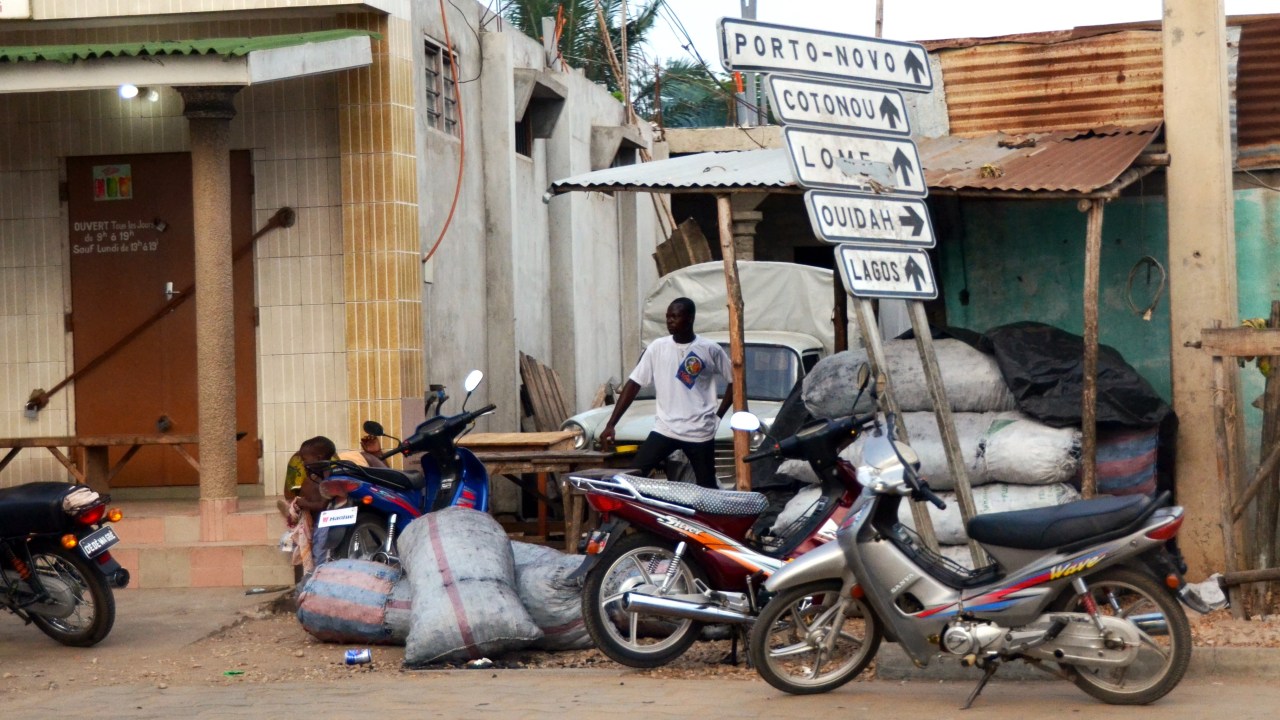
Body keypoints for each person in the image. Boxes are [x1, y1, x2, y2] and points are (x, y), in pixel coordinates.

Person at [600, 298, 733, 489]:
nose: (670, 321)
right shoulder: (657, 347)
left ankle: (708, 517)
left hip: (699, 432)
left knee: (707, 486)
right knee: (633, 476)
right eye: (668, 317)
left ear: (690, 318)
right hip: (665, 429)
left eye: (675, 316)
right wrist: (611, 423)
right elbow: (633, 384)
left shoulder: (710, 349)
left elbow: (734, 381)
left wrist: (718, 416)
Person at [278, 436, 337, 573]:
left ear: (318, 458)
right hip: (312, 521)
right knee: (289, 542)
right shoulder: (313, 476)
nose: (303, 463)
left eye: (305, 460)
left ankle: (318, 578)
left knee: (319, 552)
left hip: (325, 523)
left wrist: (303, 503)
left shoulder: (327, 477)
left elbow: (322, 505)